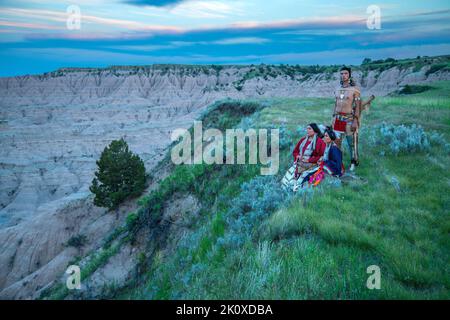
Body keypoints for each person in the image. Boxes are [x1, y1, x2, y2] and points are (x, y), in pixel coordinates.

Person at [331, 66, 361, 172]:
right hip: (338, 119)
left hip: (349, 119)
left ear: (349, 75)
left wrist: (355, 120)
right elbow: (336, 104)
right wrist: (333, 118)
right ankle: (339, 162)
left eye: (346, 73)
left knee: (351, 143)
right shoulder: (337, 89)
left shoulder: (355, 90)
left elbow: (358, 106)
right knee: (337, 142)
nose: (343, 76)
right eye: (342, 74)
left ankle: (353, 162)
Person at [281, 123, 325, 191]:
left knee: (302, 176)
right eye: (307, 128)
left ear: (315, 131)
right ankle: (286, 190)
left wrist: (309, 160)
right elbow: (295, 151)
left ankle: (296, 190)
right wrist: (298, 156)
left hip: (312, 164)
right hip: (300, 163)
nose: (307, 130)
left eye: (309, 129)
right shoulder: (303, 140)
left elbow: (322, 156)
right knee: (288, 176)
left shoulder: (320, 142)